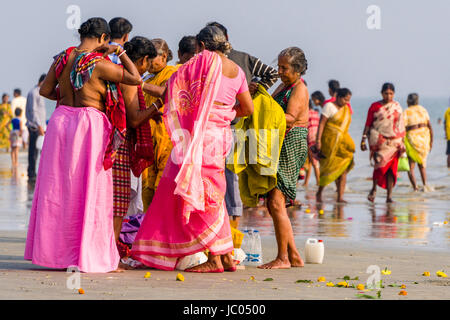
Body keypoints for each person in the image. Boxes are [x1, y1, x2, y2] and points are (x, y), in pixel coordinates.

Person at [129, 25, 254, 272]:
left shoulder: (199, 65)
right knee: (211, 196)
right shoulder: (237, 71)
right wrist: (224, 114)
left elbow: (172, 93)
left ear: (202, 46)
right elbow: (247, 108)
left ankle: (214, 258)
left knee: (188, 194)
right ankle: (224, 256)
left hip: (196, 139)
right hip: (219, 138)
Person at [24, 17, 143, 273]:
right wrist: (119, 51)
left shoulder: (62, 59)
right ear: (102, 38)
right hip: (89, 124)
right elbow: (135, 78)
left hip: (61, 121)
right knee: (92, 190)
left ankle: (55, 254)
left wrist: (68, 96)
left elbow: (46, 91)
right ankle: (89, 254)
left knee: (58, 189)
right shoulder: (99, 64)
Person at [206, 21, 279, 228]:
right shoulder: (207, 61)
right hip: (222, 124)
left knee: (231, 173)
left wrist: (254, 90)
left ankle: (233, 220)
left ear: (225, 38)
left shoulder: (243, 59)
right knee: (225, 174)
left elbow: (271, 74)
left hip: (235, 123)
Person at [258, 47, 309, 269]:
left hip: (290, 143)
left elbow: (289, 118)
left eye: (284, 68)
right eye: (278, 67)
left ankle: (283, 258)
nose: (279, 71)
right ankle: (294, 255)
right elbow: (268, 104)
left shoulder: (299, 89)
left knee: (276, 202)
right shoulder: (284, 86)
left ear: (297, 70)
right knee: (273, 202)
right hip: (278, 144)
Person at [112, 36, 161, 249]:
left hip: (115, 142)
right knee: (118, 203)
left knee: (117, 202)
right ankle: (112, 250)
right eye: (148, 64)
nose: (147, 69)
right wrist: (157, 105)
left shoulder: (119, 74)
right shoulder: (129, 81)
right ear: (143, 60)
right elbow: (133, 119)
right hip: (121, 145)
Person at [141, 38, 180, 212]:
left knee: (162, 189)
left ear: (164, 56)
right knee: (147, 190)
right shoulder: (148, 77)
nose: (148, 62)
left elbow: (167, 93)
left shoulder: (173, 72)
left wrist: (140, 84)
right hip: (148, 140)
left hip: (166, 139)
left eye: (152, 58)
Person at [361, 83, 405, 203]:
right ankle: (374, 189)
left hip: (395, 143)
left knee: (392, 170)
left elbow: (401, 126)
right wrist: (363, 139)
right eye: (386, 93)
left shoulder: (397, 107)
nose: (388, 96)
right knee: (379, 167)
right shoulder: (375, 106)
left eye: (391, 93)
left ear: (394, 94)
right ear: (382, 93)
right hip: (379, 141)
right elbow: (368, 123)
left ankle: (389, 196)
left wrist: (403, 142)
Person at [315, 88, 355, 202]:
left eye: (348, 100)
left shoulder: (346, 109)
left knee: (343, 169)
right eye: (345, 99)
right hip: (329, 144)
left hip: (342, 145)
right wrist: (318, 141)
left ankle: (340, 197)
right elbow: (321, 124)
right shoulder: (329, 107)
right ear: (338, 97)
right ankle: (320, 192)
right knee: (327, 168)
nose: (346, 102)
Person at [403, 93, 433, 191]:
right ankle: (425, 185)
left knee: (411, 166)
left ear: (408, 101)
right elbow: (430, 126)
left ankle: (415, 188)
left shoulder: (407, 112)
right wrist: (431, 141)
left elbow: (402, 128)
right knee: (422, 164)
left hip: (413, 140)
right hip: (425, 139)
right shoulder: (423, 109)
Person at [25, 74, 47, 182]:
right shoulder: (34, 93)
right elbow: (33, 111)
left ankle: (33, 171)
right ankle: (31, 173)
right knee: (33, 151)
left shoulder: (39, 92)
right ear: (42, 81)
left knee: (36, 151)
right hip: (34, 126)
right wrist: (39, 126)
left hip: (39, 126)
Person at [303, 99, 320, 187]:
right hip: (316, 138)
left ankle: (318, 182)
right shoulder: (316, 113)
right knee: (311, 162)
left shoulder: (306, 114)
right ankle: (306, 183)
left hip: (309, 139)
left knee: (313, 162)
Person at [445, 99, 450, 168]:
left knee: (449, 153)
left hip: (449, 134)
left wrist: (446, 133)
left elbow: (444, 123)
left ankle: (448, 168)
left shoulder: (447, 111)